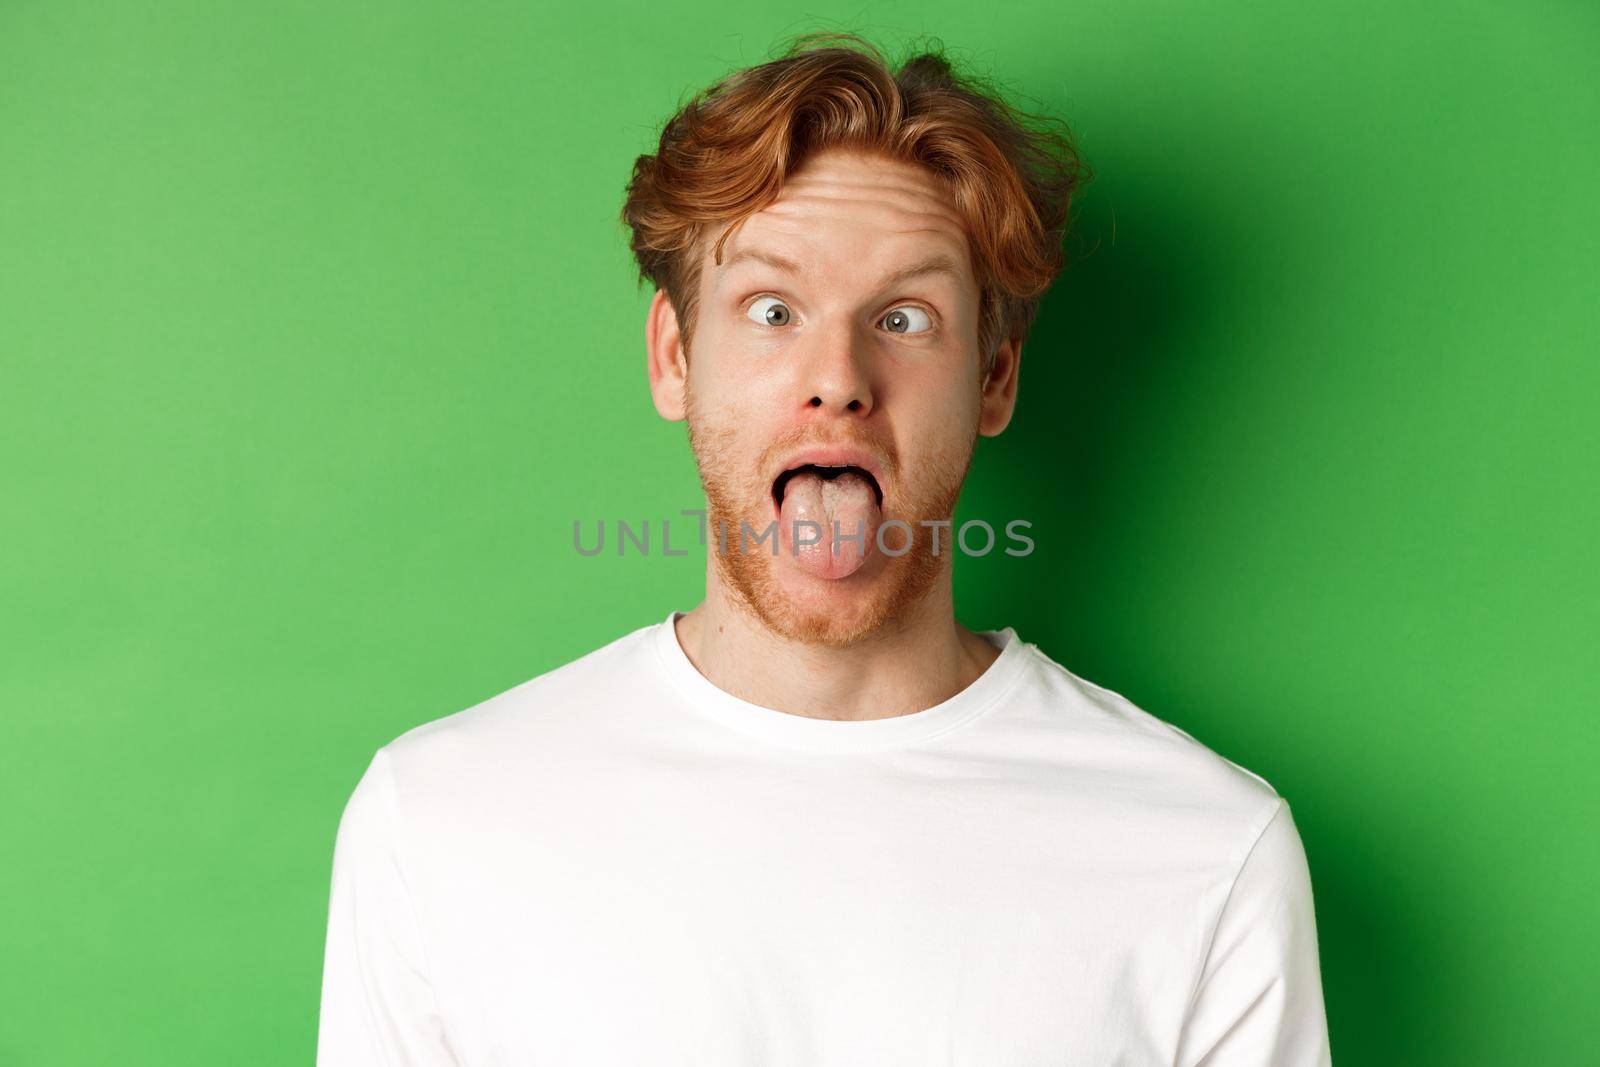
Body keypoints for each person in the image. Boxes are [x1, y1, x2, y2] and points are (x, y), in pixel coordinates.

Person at [315, 32, 1333, 1066]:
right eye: (772, 308)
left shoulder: (1204, 850)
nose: (837, 376)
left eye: (905, 316)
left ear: (992, 379)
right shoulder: (441, 820)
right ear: (674, 356)